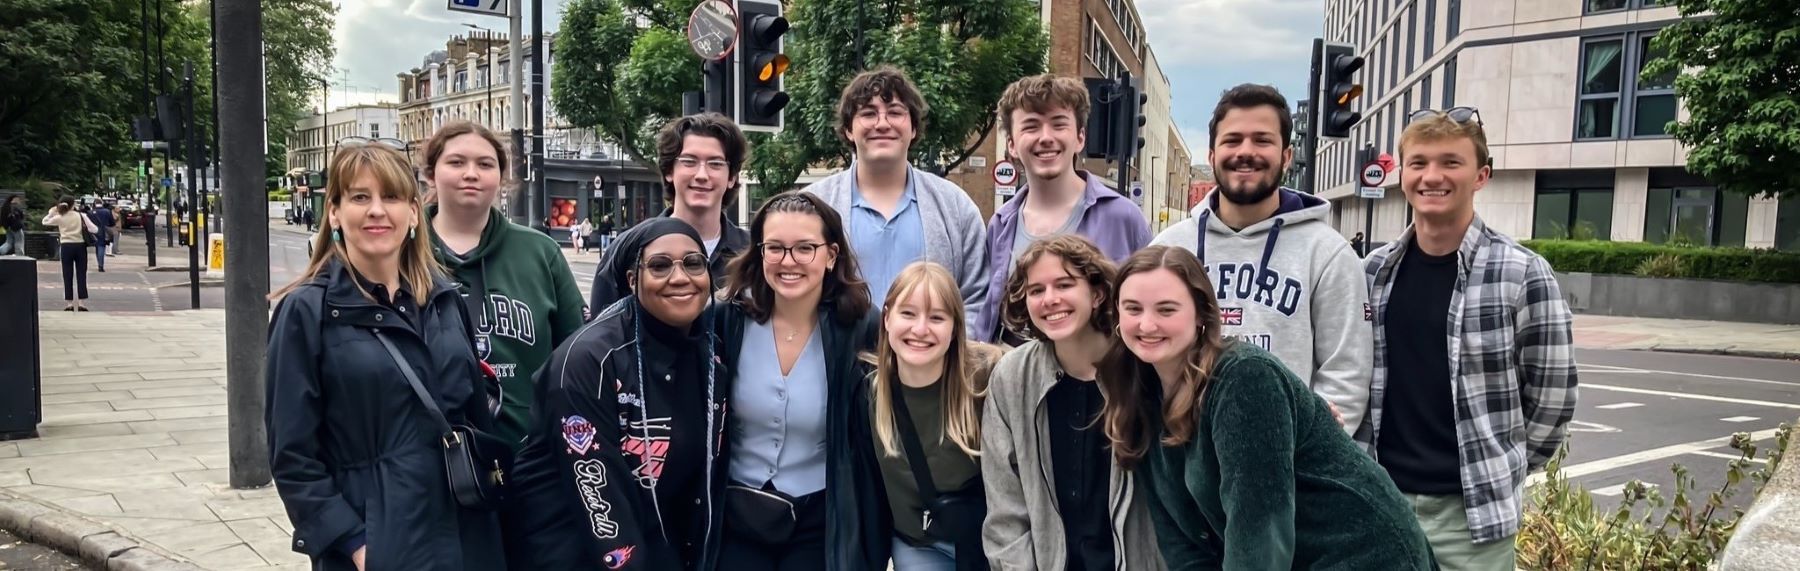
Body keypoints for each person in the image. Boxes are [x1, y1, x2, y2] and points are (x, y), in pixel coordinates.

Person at [1096, 245, 1434, 569]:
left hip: (1361, 552)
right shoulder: (1139, 395)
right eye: (1133, 309)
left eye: (1166, 310)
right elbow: (1180, 539)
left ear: (1201, 314)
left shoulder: (1244, 377)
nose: (1147, 324)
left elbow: (1259, 532)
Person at [264, 142, 505, 571]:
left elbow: (474, 418)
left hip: (466, 534)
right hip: (381, 543)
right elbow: (293, 456)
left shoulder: (444, 299)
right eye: (360, 197)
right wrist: (354, 543)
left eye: (391, 197)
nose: (377, 210)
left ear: (413, 214)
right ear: (334, 213)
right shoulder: (306, 312)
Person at [1361, 107, 1578, 570]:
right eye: (1419, 163)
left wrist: (1501, 467)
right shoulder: (1372, 273)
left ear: (1481, 176)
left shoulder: (1522, 273)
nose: (1432, 176)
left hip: (1471, 520)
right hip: (1380, 503)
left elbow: (1553, 397)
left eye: (1450, 162)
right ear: (1402, 175)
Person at [504, 218, 730, 570]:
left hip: (660, 543)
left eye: (693, 263)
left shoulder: (711, 354)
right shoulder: (589, 361)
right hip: (575, 550)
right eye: (659, 266)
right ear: (632, 280)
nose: (680, 277)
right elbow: (598, 498)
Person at [1149, 84, 1372, 435]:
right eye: (1232, 140)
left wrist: (1308, 452)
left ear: (1286, 156)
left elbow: (1346, 374)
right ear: (1212, 155)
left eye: (1262, 140)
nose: (1246, 152)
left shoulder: (1328, 253)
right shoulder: (1168, 248)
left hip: (1286, 458)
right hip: (1183, 451)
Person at [714, 191, 887, 570]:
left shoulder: (861, 326)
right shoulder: (727, 318)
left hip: (821, 516)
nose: (788, 261)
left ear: (831, 255)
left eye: (805, 248)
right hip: (735, 512)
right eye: (775, 248)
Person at [980, 235, 1164, 571]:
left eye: (1064, 285)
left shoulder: (1143, 370)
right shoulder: (1011, 378)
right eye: (1036, 290)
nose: (1050, 299)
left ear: (1097, 293)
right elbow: (1005, 509)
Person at [422, 121, 588, 448]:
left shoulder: (540, 252)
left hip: (527, 456)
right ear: (431, 174)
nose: (471, 174)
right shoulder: (402, 250)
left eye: (485, 164)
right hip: (426, 457)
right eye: (456, 162)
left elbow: (578, 355)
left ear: (501, 177)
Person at [974, 74, 1152, 344]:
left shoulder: (1123, 218)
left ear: (1080, 137)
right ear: (1011, 145)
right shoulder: (1001, 224)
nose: (1046, 137)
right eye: (1031, 126)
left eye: (1058, 124)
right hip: (1014, 366)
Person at [805, 66, 989, 322]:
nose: (882, 124)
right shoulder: (812, 206)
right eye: (868, 114)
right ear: (848, 129)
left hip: (930, 348)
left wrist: (952, 345)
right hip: (837, 349)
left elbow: (977, 297)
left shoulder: (955, 207)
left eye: (895, 112)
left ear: (913, 128)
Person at [861, 262, 1002, 571]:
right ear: (886, 318)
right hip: (919, 545)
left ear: (955, 329)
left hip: (988, 542)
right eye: (908, 314)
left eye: (937, 317)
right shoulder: (870, 393)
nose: (920, 329)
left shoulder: (988, 378)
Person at [590, 114, 753, 312]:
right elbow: (602, 326)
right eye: (689, 162)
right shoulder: (628, 249)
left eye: (716, 164)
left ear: (732, 177)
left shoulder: (753, 253)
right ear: (669, 171)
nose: (702, 175)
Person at [43, 198, 98, 311]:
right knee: (81, 274)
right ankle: (81, 302)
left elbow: (44, 222)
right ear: (73, 205)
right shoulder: (81, 216)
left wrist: (51, 213)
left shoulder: (59, 217)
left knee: (67, 274)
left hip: (66, 246)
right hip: (80, 246)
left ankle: (69, 303)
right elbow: (94, 229)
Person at [90, 202, 116, 272]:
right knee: (101, 246)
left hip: (94, 231)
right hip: (104, 231)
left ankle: (99, 262)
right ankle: (100, 265)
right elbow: (112, 223)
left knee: (97, 247)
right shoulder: (107, 211)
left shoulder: (91, 212)